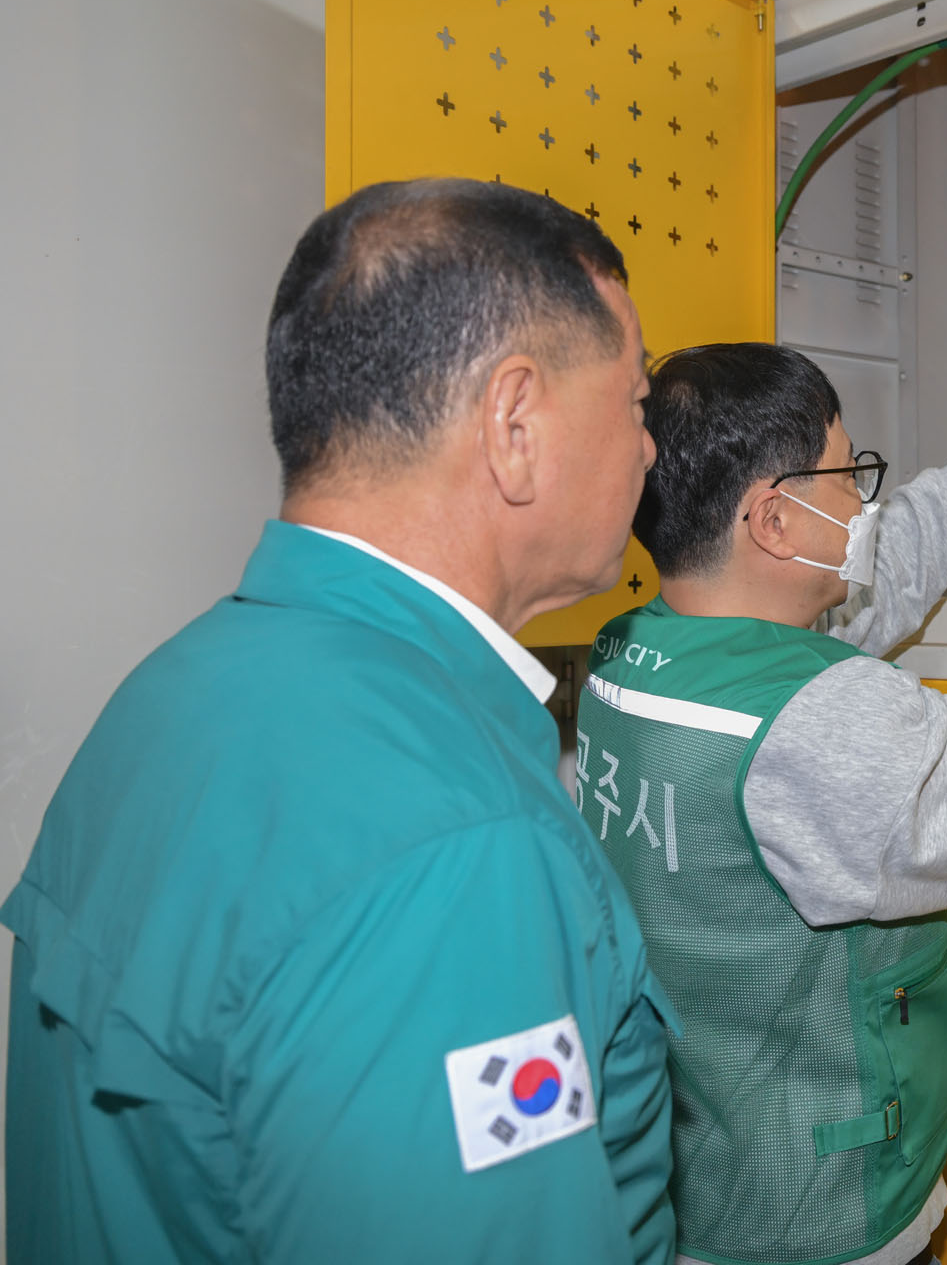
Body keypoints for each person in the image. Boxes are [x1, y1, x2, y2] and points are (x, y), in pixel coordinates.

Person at [3, 179, 678, 1263]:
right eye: (636, 399)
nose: (647, 449)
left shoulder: (172, 693)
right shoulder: (457, 848)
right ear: (515, 424)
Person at [579, 335, 947, 1265]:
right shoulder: (812, 726)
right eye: (847, 476)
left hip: (698, 1173)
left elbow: (888, 561)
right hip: (823, 1216)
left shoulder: (633, 653)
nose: (865, 501)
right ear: (774, 520)